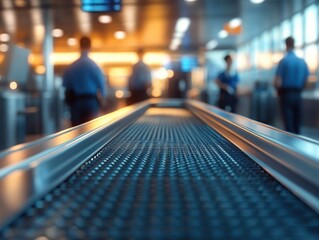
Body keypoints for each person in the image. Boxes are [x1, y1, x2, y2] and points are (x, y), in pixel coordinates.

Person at [63, 36, 106, 126]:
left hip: (76, 101)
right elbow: (101, 85)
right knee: (90, 129)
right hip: (91, 101)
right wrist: (103, 100)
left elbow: (65, 84)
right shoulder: (94, 65)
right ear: (90, 47)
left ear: (79, 46)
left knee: (76, 130)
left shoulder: (72, 66)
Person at [274, 36, 309, 134]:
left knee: (288, 124)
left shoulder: (284, 61)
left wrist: (278, 91)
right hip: (298, 94)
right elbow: (306, 81)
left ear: (286, 45)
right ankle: (297, 146)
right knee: (297, 123)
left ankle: (289, 147)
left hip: (286, 95)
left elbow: (278, 82)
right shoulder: (302, 62)